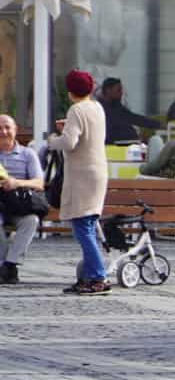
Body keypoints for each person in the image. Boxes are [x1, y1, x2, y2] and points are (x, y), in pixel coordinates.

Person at [48, 70, 111, 296]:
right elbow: (87, 131)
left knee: (82, 228)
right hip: (98, 173)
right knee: (89, 226)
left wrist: (51, 141)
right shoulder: (97, 107)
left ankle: (98, 277)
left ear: (69, 91)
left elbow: (70, 142)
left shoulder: (76, 109)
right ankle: (87, 277)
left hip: (83, 176)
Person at [0, 114, 45, 285]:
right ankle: (3, 266)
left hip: (20, 205)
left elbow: (39, 183)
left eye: (7, 127)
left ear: (15, 130)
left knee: (31, 220)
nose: (3, 132)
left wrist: (16, 182)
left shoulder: (28, 154)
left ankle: (10, 265)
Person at [97, 77, 160, 144]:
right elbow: (110, 134)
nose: (121, 93)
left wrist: (158, 125)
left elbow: (134, 118)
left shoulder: (117, 107)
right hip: (117, 147)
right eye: (119, 90)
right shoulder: (100, 110)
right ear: (108, 90)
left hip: (130, 144)